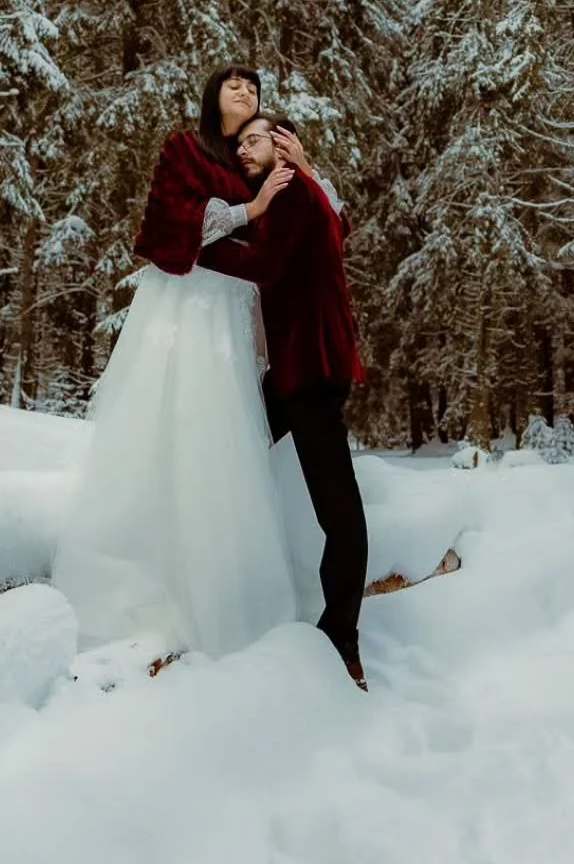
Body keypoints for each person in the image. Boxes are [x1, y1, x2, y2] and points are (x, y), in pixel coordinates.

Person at [50, 67, 299, 658]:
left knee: (222, 436)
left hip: (230, 310)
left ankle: (220, 588)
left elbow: (287, 234)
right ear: (211, 94)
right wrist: (248, 210)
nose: (245, 92)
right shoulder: (183, 148)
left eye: (255, 88)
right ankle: (141, 579)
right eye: (233, 84)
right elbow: (169, 219)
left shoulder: (253, 164)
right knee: (166, 418)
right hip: (181, 304)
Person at [199, 114, 370, 689]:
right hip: (300, 368)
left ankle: (340, 640)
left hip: (311, 370)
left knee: (339, 513)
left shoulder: (295, 192)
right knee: (234, 449)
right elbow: (337, 226)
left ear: (283, 145)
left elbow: (265, 264)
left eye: (255, 140)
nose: (243, 150)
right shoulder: (301, 189)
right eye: (238, 144)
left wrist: (192, 251)